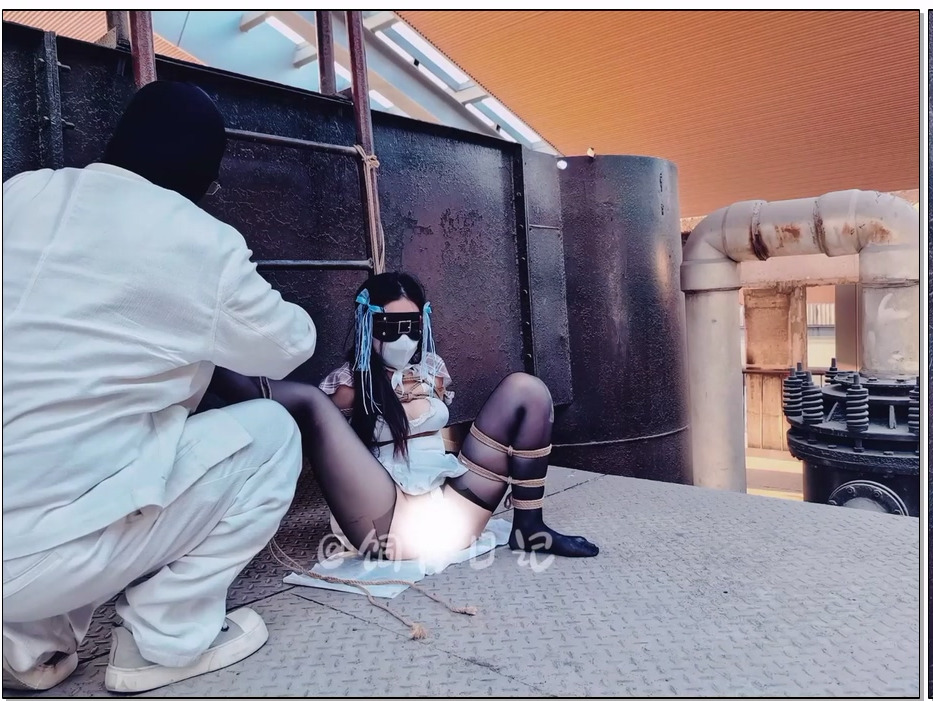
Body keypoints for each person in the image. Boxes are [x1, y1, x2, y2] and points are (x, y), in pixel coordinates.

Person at [2, 81, 316, 694]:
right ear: (204, 177)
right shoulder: (201, 241)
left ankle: (24, 648)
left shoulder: (20, 193)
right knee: (273, 434)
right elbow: (289, 346)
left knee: (48, 449)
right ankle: (161, 641)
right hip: (44, 557)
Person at [209, 272, 598, 563]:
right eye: (390, 329)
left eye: (412, 328)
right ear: (368, 326)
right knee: (311, 402)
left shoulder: (432, 370)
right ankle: (206, 364)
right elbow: (335, 455)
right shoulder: (349, 383)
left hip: (450, 514)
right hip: (389, 521)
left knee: (527, 389)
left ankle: (529, 527)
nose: (404, 340)